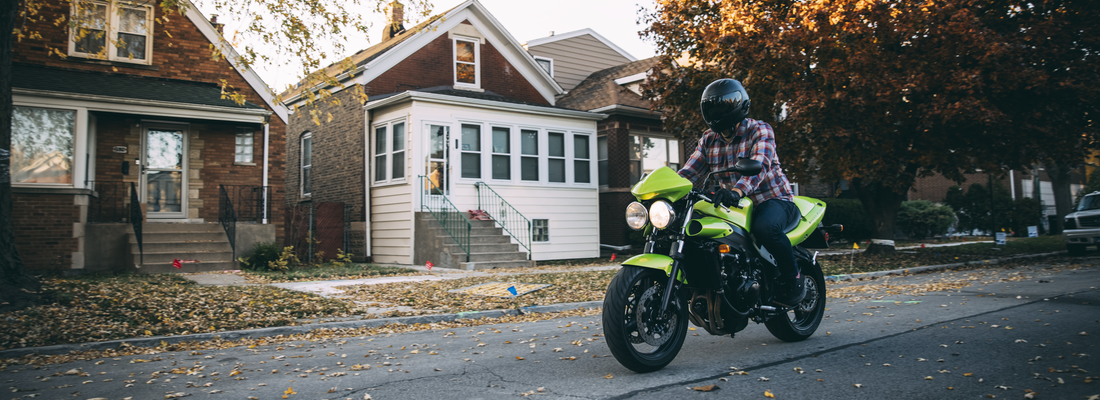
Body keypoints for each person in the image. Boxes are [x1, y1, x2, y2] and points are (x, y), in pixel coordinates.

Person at [677, 78, 805, 308]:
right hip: (734, 205)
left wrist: (736, 191)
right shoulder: (708, 139)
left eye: (721, 106)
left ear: (737, 106)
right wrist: (666, 190)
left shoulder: (760, 130)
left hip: (771, 199)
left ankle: (792, 278)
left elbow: (760, 165)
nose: (716, 112)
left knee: (765, 228)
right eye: (711, 107)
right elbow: (689, 172)